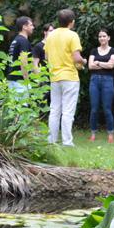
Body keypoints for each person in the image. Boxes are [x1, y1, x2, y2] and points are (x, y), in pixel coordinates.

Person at [44, 9, 86, 146]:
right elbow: (76, 58)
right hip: (69, 76)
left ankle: (52, 140)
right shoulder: (72, 35)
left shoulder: (50, 36)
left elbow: (46, 57)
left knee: (55, 110)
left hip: (54, 77)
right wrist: (84, 62)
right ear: (72, 22)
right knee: (68, 111)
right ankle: (67, 142)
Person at [88, 29, 114, 143]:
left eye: (104, 36)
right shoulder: (94, 51)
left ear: (108, 38)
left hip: (107, 81)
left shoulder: (113, 50)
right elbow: (90, 66)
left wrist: (98, 63)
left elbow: (111, 65)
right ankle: (93, 134)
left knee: (107, 109)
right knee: (94, 109)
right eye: (100, 36)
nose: (102, 38)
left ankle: (110, 134)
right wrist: (102, 65)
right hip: (94, 80)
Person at [6, 16, 35, 94]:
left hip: (11, 79)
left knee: (15, 105)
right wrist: (27, 81)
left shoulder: (15, 40)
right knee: (23, 106)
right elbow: (23, 61)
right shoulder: (23, 41)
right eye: (31, 25)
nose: (33, 27)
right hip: (20, 81)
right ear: (24, 27)